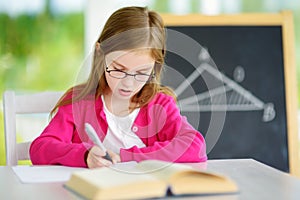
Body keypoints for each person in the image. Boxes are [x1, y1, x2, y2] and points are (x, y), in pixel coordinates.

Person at [29, 6, 207, 168]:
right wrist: (84, 156)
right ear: (100, 53)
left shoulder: (160, 105)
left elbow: (195, 147)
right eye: (118, 69)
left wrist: (126, 156)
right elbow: (40, 148)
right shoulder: (79, 102)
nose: (128, 83)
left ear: (155, 65)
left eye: (141, 72)